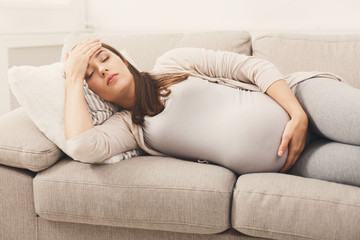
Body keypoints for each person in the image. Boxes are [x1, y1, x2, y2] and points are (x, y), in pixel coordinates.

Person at [63, 39, 360, 183]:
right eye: (90, 74)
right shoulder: (129, 128)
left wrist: (297, 115)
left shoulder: (173, 63)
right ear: (92, 92)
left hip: (303, 100)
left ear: (123, 60)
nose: (102, 70)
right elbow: (82, 146)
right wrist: (73, 79)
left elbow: (252, 67)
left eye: (104, 58)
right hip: (295, 161)